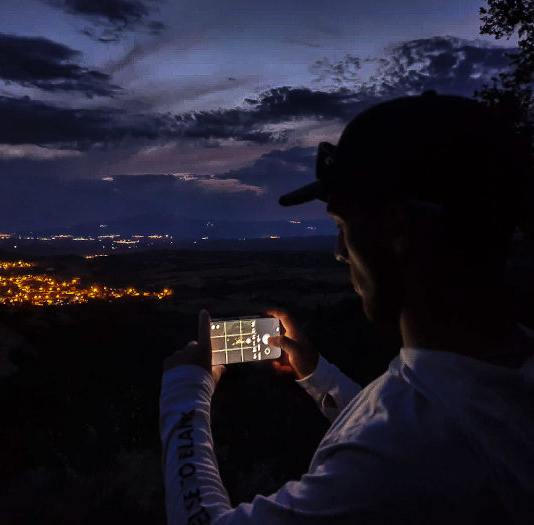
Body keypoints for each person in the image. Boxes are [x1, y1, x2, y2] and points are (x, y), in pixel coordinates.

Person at [159, 92, 534, 524]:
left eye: (343, 225)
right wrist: (318, 375)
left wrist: (185, 393)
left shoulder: (403, 457)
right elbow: (420, 417)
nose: (339, 251)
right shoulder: (499, 377)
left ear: (397, 230)